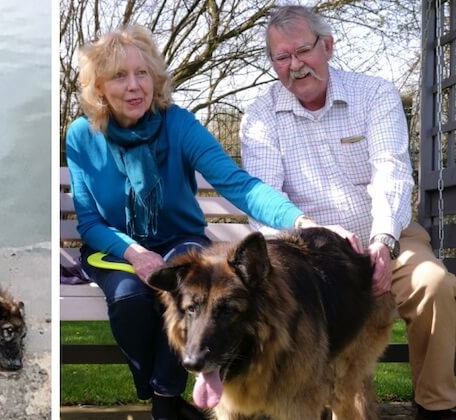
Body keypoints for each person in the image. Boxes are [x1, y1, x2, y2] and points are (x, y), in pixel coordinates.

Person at [65, 25, 353, 420]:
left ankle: (166, 401)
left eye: (143, 73)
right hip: (115, 246)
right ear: (99, 87)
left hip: (179, 241)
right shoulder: (81, 135)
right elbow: (91, 221)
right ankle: (155, 390)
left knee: (184, 293)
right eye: (119, 76)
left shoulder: (178, 124)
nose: (135, 86)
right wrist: (135, 253)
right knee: (130, 298)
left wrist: (300, 220)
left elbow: (238, 184)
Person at [239, 6, 456, 419]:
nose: (295, 65)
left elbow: (391, 170)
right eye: (282, 58)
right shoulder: (261, 114)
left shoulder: (374, 93)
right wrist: (315, 237)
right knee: (279, 301)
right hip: (306, 252)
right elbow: (263, 200)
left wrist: (382, 241)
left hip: (383, 233)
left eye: (303, 51)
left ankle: (435, 407)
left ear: (328, 46)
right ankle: (303, 404)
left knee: (434, 284)